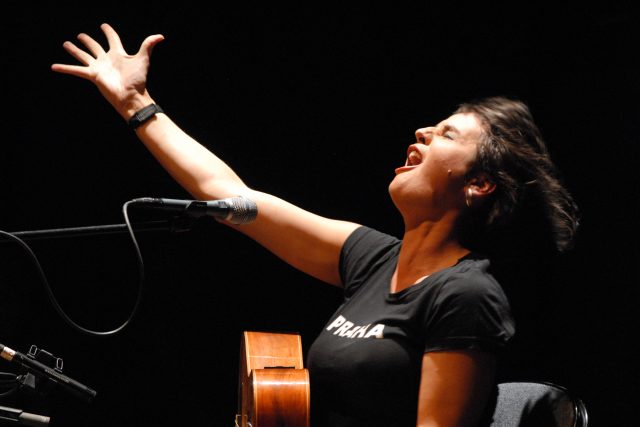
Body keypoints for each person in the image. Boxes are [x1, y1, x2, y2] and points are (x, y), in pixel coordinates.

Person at [51, 23, 579, 427]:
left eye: (446, 134)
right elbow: (230, 197)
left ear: (480, 184)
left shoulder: (466, 295)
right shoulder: (371, 258)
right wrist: (134, 103)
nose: (421, 131)